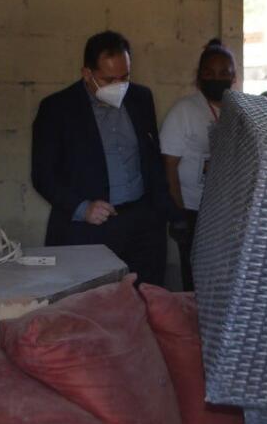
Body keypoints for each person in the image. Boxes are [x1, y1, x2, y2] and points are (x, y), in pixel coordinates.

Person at [31, 30, 174, 285]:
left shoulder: (141, 98)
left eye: (125, 77)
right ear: (87, 74)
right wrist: (82, 208)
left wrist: (161, 212)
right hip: (88, 229)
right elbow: (43, 176)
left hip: (142, 224)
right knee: (91, 307)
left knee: (145, 303)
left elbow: (151, 159)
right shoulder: (57, 109)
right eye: (108, 79)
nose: (119, 86)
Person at [159, 39, 237, 291]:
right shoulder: (185, 110)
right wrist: (178, 213)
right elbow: (169, 166)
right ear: (199, 76)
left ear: (234, 76)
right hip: (192, 210)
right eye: (210, 73)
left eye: (224, 73)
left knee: (221, 277)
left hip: (225, 209)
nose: (217, 78)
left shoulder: (238, 110)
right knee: (194, 278)